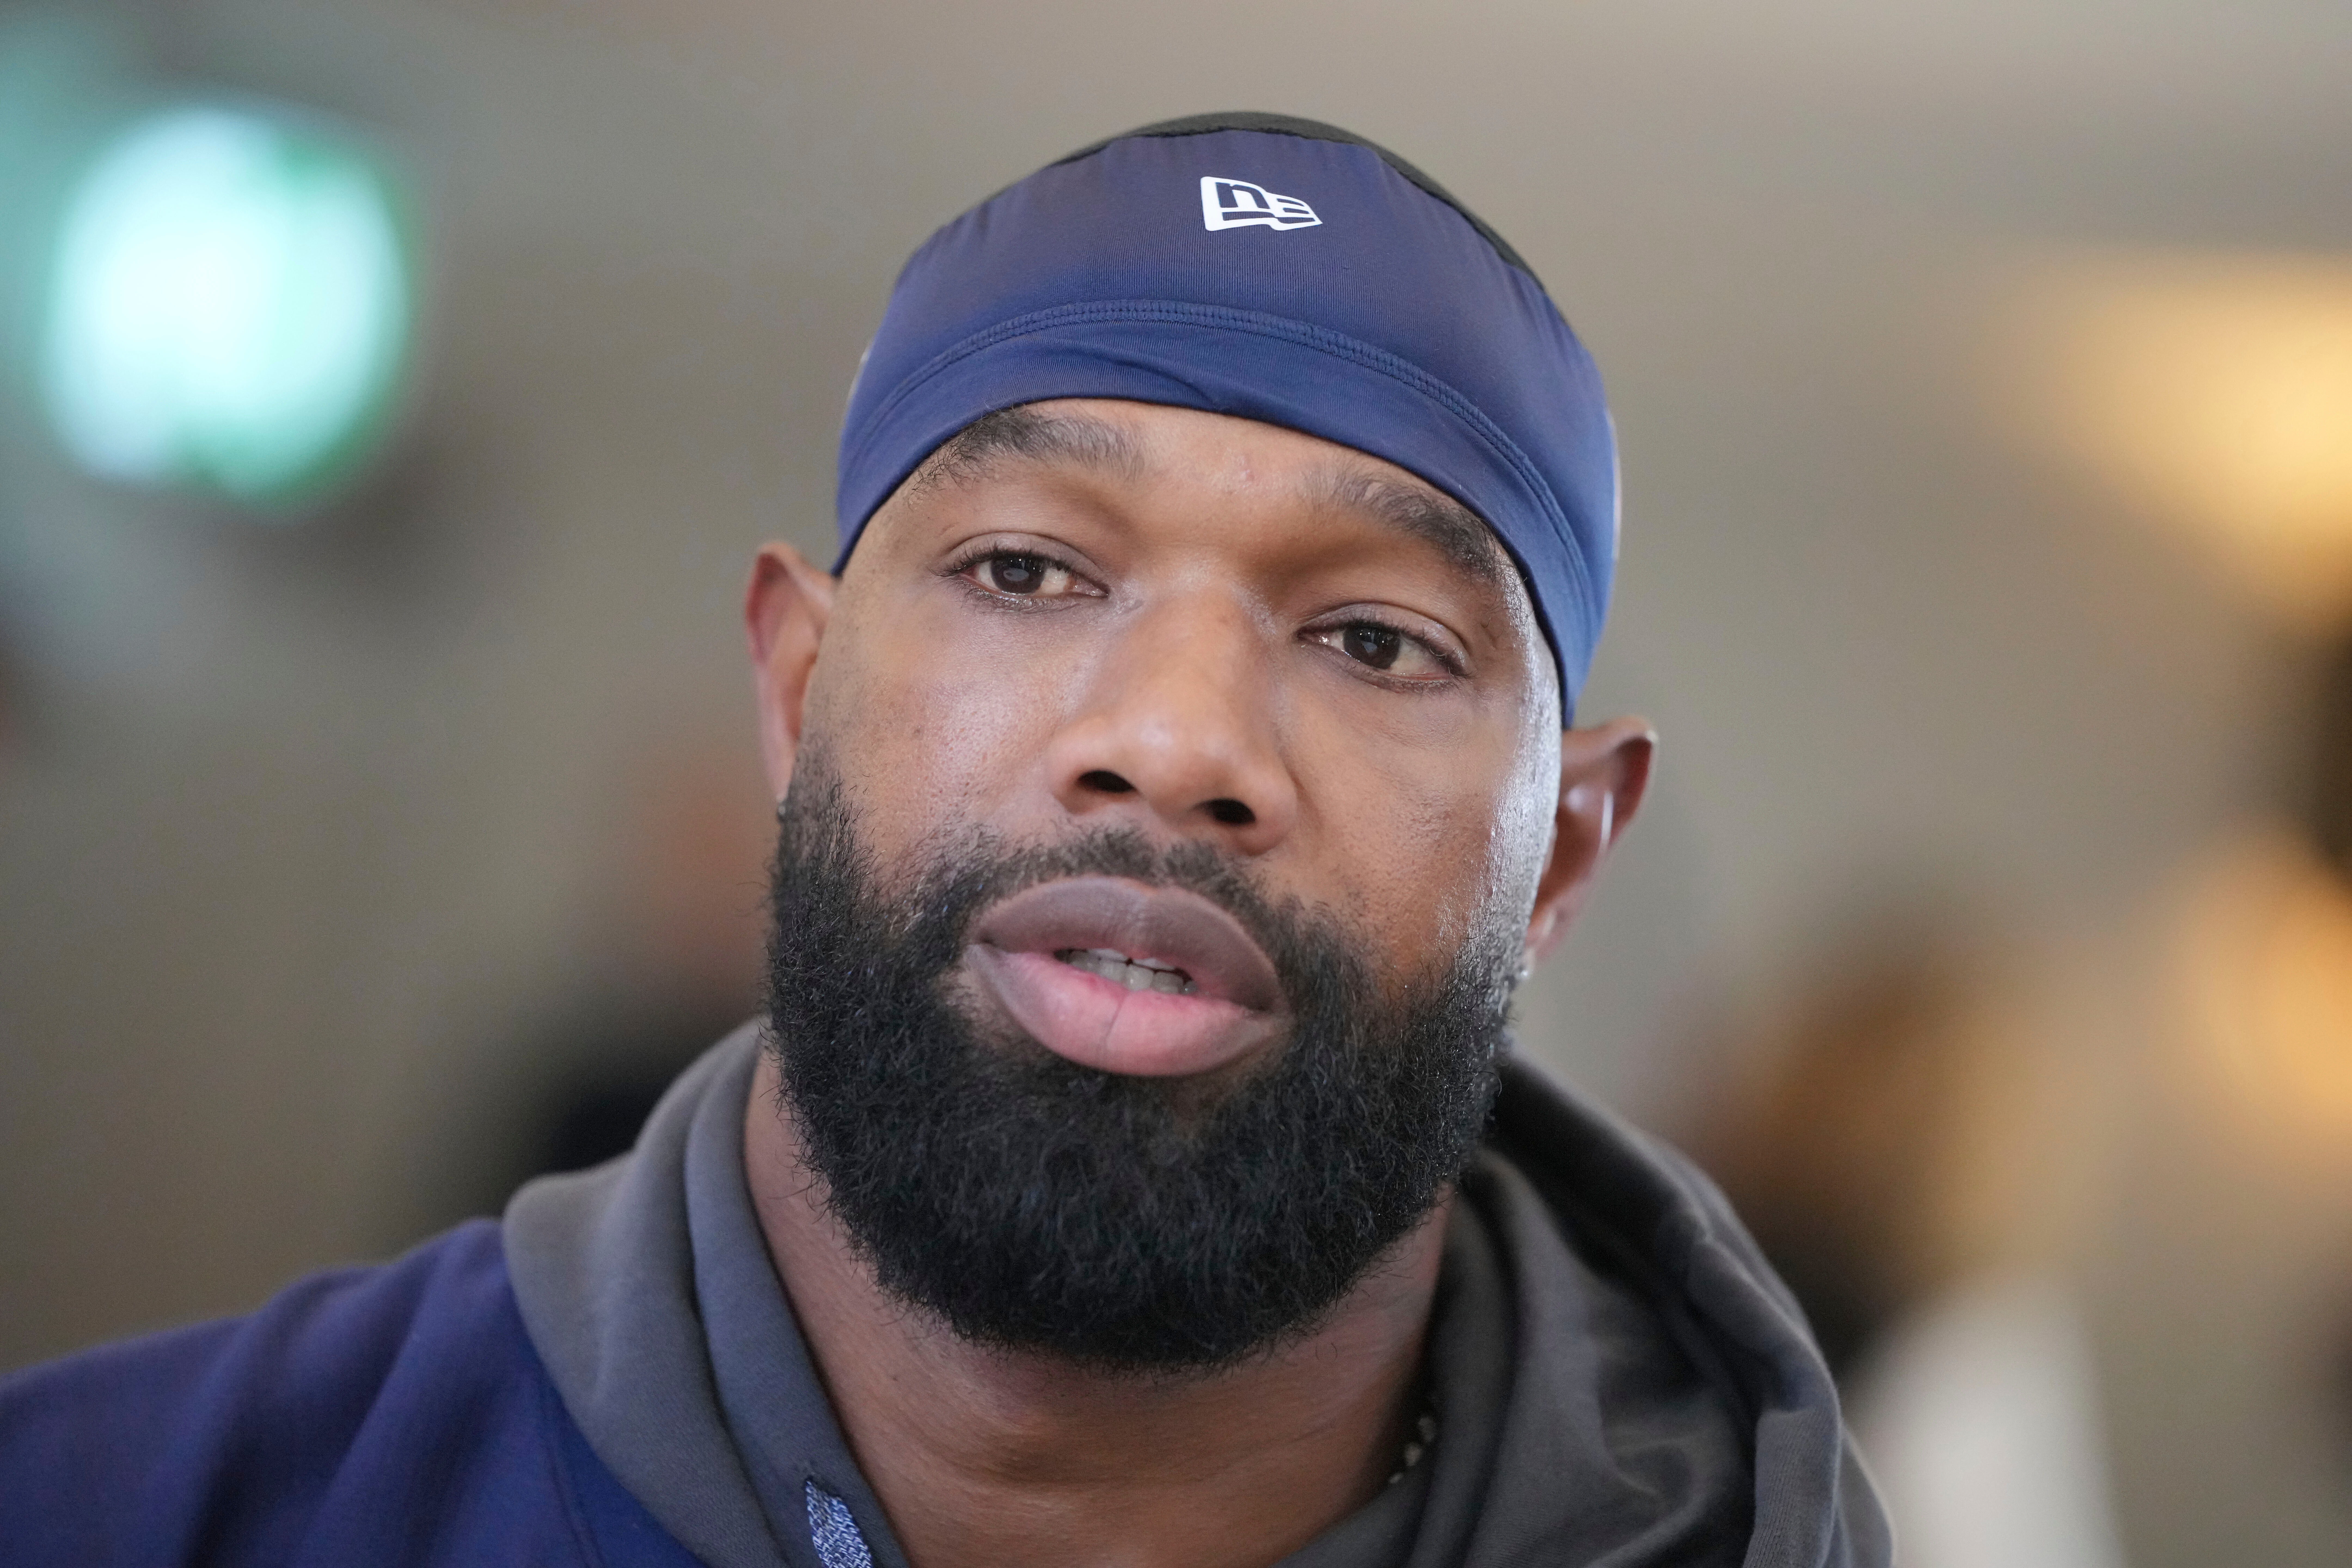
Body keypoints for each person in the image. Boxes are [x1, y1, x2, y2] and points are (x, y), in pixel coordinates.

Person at [0, 113, 1889, 1568]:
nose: (1173, 741)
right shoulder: (124, 1511)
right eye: (1026, 568)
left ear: (1560, 857)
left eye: (1376, 638)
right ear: (798, 686)